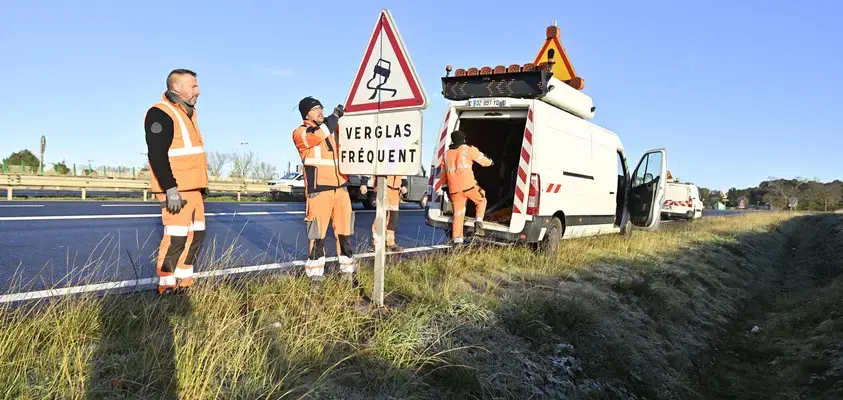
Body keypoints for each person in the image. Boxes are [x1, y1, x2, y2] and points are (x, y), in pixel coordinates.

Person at [144, 69, 209, 294]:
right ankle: (167, 285)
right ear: (176, 88)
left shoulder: (189, 114)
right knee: (176, 238)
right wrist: (170, 188)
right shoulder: (160, 113)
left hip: (194, 189)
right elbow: (157, 154)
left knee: (196, 235)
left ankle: (184, 282)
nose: (198, 91)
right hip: (176, 190)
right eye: (193, 86)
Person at [292, 96, 357, 286]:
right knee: (317, 236)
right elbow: (319, 134)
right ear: (306, 114)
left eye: (321, 108)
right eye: (315, 109)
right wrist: (334, 116)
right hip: (319, 191)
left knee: (345, 233)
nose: (320, 111)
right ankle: (315, 278)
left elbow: (351, 135)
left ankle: (348, 273)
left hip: (341, 189)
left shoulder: (332, 129)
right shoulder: (301, 133)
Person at [439, 130, 494, 245]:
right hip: (469, 186)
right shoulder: (467, 149)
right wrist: (490, 162)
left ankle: (457, 242)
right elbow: (482, 160)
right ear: (463, 139)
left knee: (458, 215)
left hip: (454, 190)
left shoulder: (446, 154)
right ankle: (478, 224)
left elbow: (443, 173)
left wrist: (445, 187)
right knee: (481, 199)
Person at [361, 175, 408, 251]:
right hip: (383, 188)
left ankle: (390, 242)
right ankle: (375, 242)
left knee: (393, 218)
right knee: (382, 216)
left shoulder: (400, 166)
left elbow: (404, 177)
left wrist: (404, 186)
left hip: (395, 191)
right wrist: (364, 183)